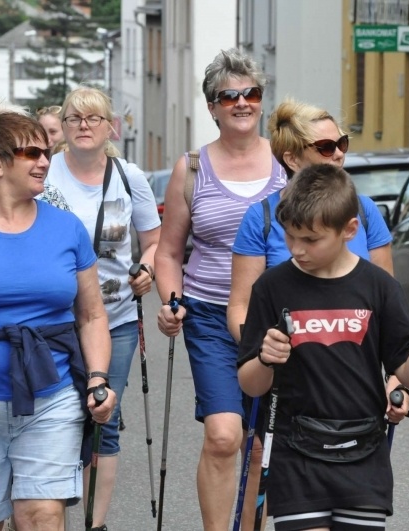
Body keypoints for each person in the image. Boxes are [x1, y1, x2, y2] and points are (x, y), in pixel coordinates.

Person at [226, 98, 407, 526]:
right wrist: (267, 349)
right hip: (290, 382)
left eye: (341, 143)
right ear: (292, 157)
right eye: (325, 147)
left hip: (356, 384)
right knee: (260, 459)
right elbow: (242, 305)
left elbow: (390, 314)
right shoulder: (264, 217)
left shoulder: (364, 212)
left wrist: (395, 379)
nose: (339, 153)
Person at [236, 163, 409, 530]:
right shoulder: (271, 288)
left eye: (311, 240)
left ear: (349, 230)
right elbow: (250, 384)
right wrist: (266, 360)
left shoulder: (379, 287)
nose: (297, 250)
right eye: (290, 237)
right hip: (295, 450)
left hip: (363, 450)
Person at [154, 48, 287, 530]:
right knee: (225, 435)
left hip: (276, 318)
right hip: (210, 315)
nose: (242, 103)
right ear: (211, 106)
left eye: (250, 93)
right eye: (228, 96)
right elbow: (169, 253)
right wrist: (170, 301)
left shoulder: (286, 164)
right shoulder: (191, 169)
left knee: (261, 442)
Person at [0, 98, 115, 530]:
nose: (44, 161)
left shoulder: (66, 227)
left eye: (45, 152)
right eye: (31, 153)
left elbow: (92, 316)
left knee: (42, 514)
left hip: (51, 395)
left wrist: (97, 378)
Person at [43, 86, 160, 531]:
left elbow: (153, 242)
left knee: (100, 419)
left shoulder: (129, 177)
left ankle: (94, 525)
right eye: (75, 118)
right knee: (49, 422)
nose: (84, 126)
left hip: (115, 320)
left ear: (111, 126)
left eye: (94, 119)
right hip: (50, 322)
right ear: (63, 127)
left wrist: (147, 269)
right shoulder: (44, 173)